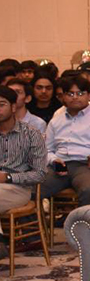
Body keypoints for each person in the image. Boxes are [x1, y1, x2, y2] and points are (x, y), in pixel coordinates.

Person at [40, 76, 90, 207]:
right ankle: (35, 220)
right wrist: (54, 160)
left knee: (89, 191)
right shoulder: (56, 121)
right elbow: (46, 150)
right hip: (60, 166)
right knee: (30, 187)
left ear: (89, 95)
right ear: (63, 97)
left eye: (80, 93)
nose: (75, 97)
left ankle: (86, 221)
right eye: (70, 94)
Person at [0, 86, 45, 257]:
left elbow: (40, 174)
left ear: (13, 107)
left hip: (19, 189)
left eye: (1, 104)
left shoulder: (31, 134)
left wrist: (8, 177)